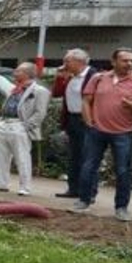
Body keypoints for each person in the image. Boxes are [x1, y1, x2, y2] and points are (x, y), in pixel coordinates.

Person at [75, 47, 132, 221]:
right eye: (125, 60)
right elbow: (86, 100)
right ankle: (83, 201)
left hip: (124, 133)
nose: (129, 64)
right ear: (113, 61)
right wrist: (88, 121)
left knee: (123, 170)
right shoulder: (98, 78)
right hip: (96, 131)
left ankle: (121, 208)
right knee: (88, 166)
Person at [0, 62, 48, 196]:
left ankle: (25, 186)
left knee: (22, 157)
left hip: (19, 124)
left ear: (27, 74)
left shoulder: (39, 91)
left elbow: (40, 112)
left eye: (18, 71)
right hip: (4, 122)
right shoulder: (14, 88)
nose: (15, 73)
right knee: (0, 155)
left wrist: (27, 126)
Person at [53, 48, 96, 199]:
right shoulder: (70, 76)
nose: (64, 64)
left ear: (79, 62)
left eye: (67, 61)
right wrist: (60, 78)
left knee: (88, 156)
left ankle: (88, 191)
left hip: (86, 119)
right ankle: (73, 188)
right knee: (74, 156)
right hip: (72, 119)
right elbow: (57, 93)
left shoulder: (93, 76)